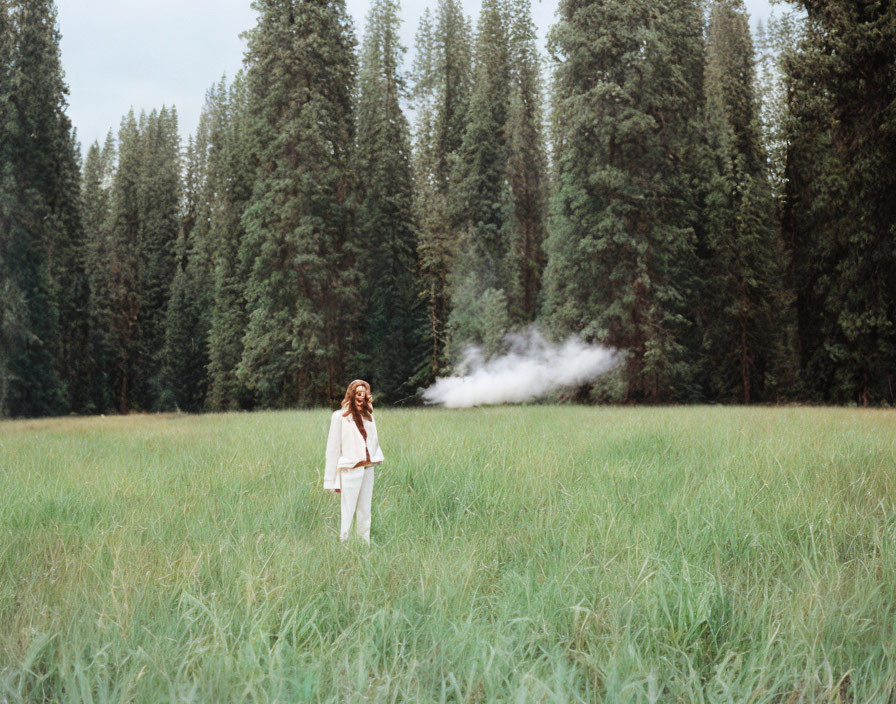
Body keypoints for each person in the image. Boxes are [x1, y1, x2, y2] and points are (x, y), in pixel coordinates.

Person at [323, 379, 384, 543]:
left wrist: (374, 458)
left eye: (364, 394)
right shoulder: (339, 417)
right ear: (351, 395)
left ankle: (365, 544)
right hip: (349, 469)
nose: (361, 397)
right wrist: (332, 481)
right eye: (358, 394)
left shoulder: (369, 416)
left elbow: (373, 442)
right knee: (348, 510)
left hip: (368, 468)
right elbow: (333, 450)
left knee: (365, 510)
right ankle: (344, 544)